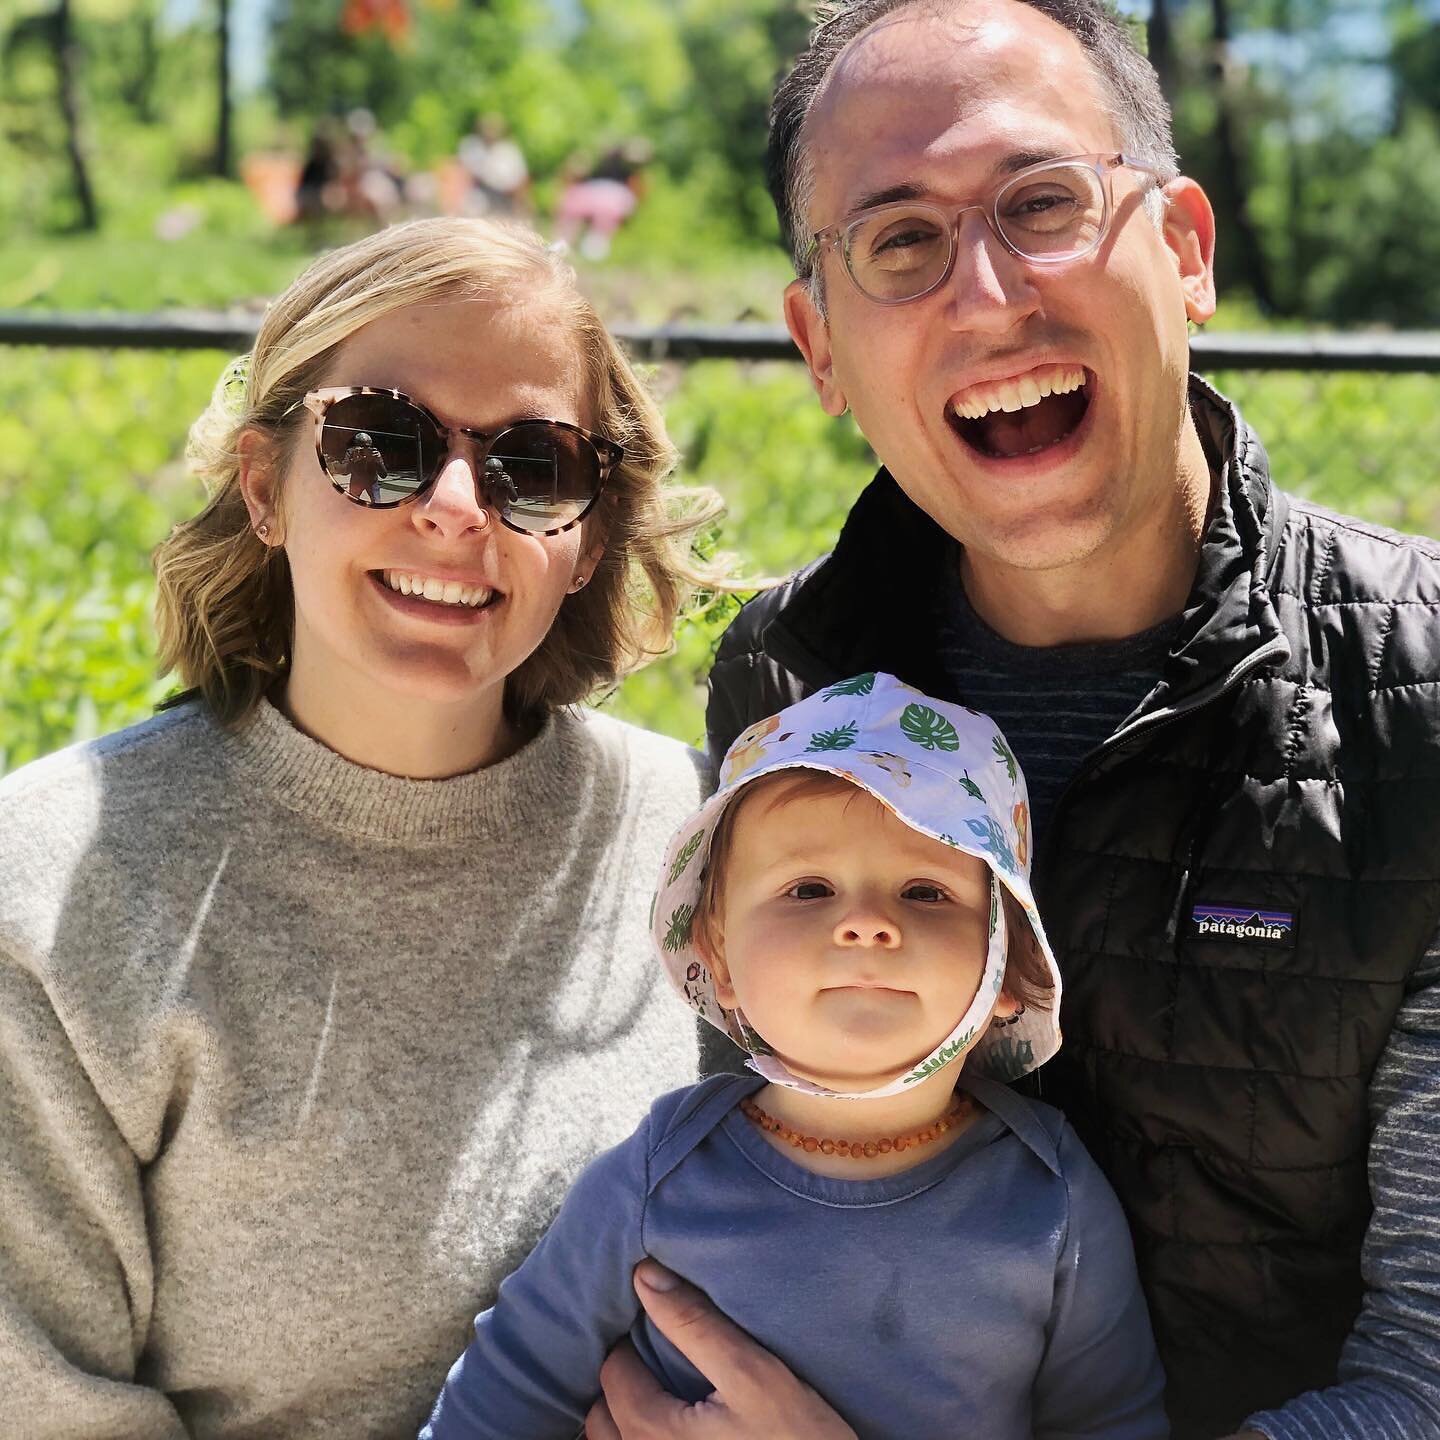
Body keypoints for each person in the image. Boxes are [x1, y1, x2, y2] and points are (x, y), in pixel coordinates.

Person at [592, 4, 1440, 1440]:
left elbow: (1426, 1378)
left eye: (1042, 204)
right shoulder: (792, 678)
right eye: (901, 241)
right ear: (820, 343)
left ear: (1184, 249)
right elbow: (758, 1180)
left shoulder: (1418, 697)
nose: (987, 297)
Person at [0, 217, 726, 1437]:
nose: (454, 509)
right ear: (262, 485)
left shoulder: (716, 847)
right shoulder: (47, 891)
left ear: (588, 533)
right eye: (377, 444)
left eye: (532, 466)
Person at [423, 674, 1167, 1440]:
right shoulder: (659, 1175)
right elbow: (506, 1393)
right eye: (809, 889)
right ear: (716, 954)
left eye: (926, 892)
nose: (868, 923)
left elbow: (1114, 1424)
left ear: (1009, 966)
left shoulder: (1053, 1197)